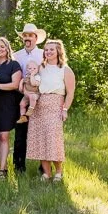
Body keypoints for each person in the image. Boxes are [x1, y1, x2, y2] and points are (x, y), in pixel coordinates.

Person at [27, 40, 75, 182]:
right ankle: (46, 173)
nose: (48, 52)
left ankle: (58, 172)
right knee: (41, 139)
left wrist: (65, 109)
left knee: (54, 140)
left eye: (51, 50)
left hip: (56, 105)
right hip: (40, 105)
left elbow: (70, 93)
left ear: (58, 51)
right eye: (46, 50)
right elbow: (32, 83)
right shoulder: (40, 67)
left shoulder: (65, 69)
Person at [0, 37, 22, 179]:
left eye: (2, 46)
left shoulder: (13, 64)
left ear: (7, 49)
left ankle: (2, 171)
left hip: (7, 104)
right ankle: (3, 165)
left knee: (3, 135)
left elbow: (14, 84)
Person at [13, 23, 46, 173]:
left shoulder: (43, 54)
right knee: (21, 132)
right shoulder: (16, 55)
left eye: (30, 35)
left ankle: (43, 167)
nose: (27, 38)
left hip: (39, 97)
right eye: (25, 35)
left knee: (40, 132)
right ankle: (19, 165)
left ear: (36, 38)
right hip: (21, 96)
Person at [16, 59, 41, 123]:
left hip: (35, 93)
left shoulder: (37, 76)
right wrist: (21, 85)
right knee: (21, 104)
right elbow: (23, 81)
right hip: (26, 95)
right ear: (27, 69)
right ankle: (23, 117)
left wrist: (32, 75)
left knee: (32, 97)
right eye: (30, 68)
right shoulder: (26, 76)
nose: (32, 70)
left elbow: (33, 83)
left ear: (38, 69)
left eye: (34, 68)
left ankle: (31, 108)